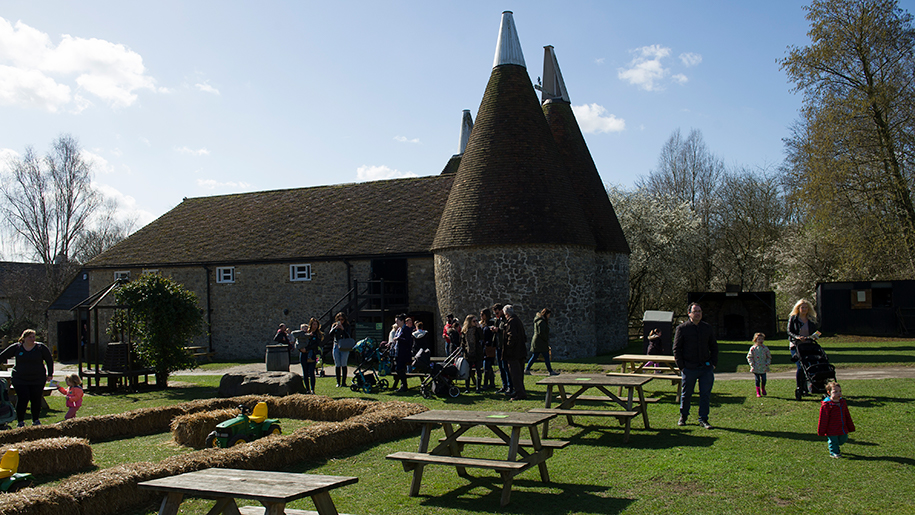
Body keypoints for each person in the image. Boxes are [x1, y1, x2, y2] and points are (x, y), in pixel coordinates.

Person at [672, 303, 718, 429]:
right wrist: (682, 366)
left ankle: (703, 419)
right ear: (689, 313)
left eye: (699, 311)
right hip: (689, 367)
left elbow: (714, 346)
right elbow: (676, 349)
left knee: (705, 394)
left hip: (705, 367)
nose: (697, 313)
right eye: (695, 311)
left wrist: (713, 363)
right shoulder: (682, 328)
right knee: (686, 394)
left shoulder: (707, 328)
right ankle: (683, 416)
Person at [0, 329, 53, 427]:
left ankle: (36, 420)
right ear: (24, 338)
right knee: (23, 398)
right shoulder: (17, 347)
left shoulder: (40, 348)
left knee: (36, 399)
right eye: (30, 337)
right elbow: (2, 356)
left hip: (37, 379)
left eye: (34, 337)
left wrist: (50, 374)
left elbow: (49, 360)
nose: (32, 339)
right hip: (20, 379)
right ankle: (20, 421)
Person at [787, 299, 818, 399]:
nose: (804, 309)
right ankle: (800, 387)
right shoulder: (793, 319)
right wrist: (797, 337)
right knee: (800, 366)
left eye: (806, 307)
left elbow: (818, 331)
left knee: (810, 365)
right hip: (796, 345)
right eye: (802, 307)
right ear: (798, 308)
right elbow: (789, 331)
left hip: (809, 345)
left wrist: (813, 336)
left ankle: (809, 386)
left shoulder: (811, 319)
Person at [817, 382, 855, 458]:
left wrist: (850, 426)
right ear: (829, 393)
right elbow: (823, 418)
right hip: (831, 428)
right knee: (833, 441)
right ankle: (834, 452)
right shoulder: (827, 405)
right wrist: (822, 430)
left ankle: (836, 446)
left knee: (843, 438)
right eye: (835, 392)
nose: (838, 393)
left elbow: (847, 415)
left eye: (840, 391)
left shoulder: (842, 403)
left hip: (841, 426)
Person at [502, 304, 528, 401]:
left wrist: (508, 348)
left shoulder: (511, 322)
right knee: (519, 374)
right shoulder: (517, 320)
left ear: (507, 314)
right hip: (521, 351)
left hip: (514, 353)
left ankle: (520, 393)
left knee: (515, 374)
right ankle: (520, 391)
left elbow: (512, 336)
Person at [292, 319, 323, 394]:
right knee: (305, 372)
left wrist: (307, 349)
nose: (315, 326)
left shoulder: (318, 334)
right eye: (314, 324)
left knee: (312, 372)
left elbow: (315, 344)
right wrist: (300, 349)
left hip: (312, 354)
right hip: (303, 354)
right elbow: (298, 340)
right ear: (311, 325)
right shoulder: (305, 332)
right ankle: (307, 389)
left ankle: (312, 389)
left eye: (316, 325)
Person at [525, 308, 558, 375]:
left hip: (539, 342)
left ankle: (527, 369)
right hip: (540, 342)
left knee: (535, 356)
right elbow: (541, 333)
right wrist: (546, 340)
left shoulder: (539, 320)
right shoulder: (541, 322)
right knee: (545, 356)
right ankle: (550, 371)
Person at [491, 303, 512, 394]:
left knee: (506, 367)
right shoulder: (498, 320)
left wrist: (498, 330)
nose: (496, 315)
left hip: (504, 346)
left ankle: (510, 386)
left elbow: (506, 330)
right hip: (498, 346)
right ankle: (504, 385)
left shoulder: (506, 319)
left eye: (497, 313)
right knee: (501, 367)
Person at [329, 312, 353, 387]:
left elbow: (348, 335)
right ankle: (338, 382)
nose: (340, 321)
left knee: (344, 364)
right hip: (336, 345)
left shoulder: (347, 326)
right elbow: (330, 335)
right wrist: (335, 328)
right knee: (337, 364)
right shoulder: (334, 326)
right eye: (339, 319)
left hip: (344, 346)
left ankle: (343, 382)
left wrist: (343, 329)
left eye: (342, 319)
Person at [390, 314, 413, 393]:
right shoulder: (399, 330)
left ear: (402, 321)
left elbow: (408, 340)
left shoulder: (406, 329)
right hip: (398, 352)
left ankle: (404, 386)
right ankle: (403, 385)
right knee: (398, 369)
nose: (396, 323)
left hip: (404, 353)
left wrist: (399, 339)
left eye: (397, 321)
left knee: (399, 368)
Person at [460, 314, 483, 393]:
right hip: (468, 353)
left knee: (478, 371)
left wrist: (479, 328)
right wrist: (463, 350)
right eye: (474, 321)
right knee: (468, 371)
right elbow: (463, 342)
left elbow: (481, 337)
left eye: (476, 320)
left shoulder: (477, 330)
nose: (476, 322)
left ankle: (478, 388)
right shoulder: (465, 331)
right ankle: (467, 388)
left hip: (477, 352)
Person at [746, 332, 771, 397]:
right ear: (755, 340)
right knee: (757, 380)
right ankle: (758, 392)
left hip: (763, 366)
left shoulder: (765, 348)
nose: (761, 341)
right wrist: (752, 364)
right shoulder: (753, 348)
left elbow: (769, 356)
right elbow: (749, 357)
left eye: (762, 339)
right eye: (759, 339)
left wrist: (767, 363)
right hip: (756, 367)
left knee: (764, 379)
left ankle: (763, 388)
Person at [480, 308, 497, 390]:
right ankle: (492, 383)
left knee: (487, 365)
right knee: (488, 366)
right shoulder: (485, 324)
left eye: (482, 315)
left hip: (489, 346)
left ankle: (486, 383)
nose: (481, 316)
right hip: (485, 346)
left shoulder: (491, 323)